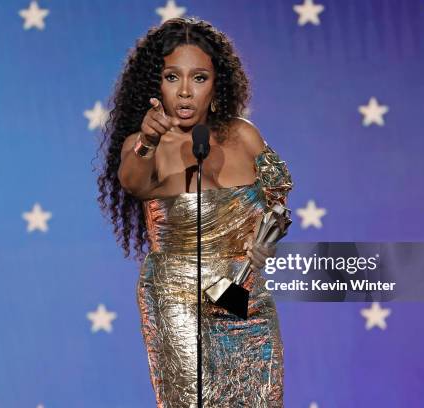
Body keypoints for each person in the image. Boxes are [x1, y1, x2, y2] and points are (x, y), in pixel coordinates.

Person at [96, 17, 293, 408]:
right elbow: (132, 183)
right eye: (173, 77)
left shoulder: (244, 135)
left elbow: (278, 201)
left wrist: (265, 242)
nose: (185, 92)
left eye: (199, 78)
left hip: (242, 295)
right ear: (157, 84)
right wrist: (149, 141)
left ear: (216, 84)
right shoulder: (146, 145)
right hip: (179, 296)